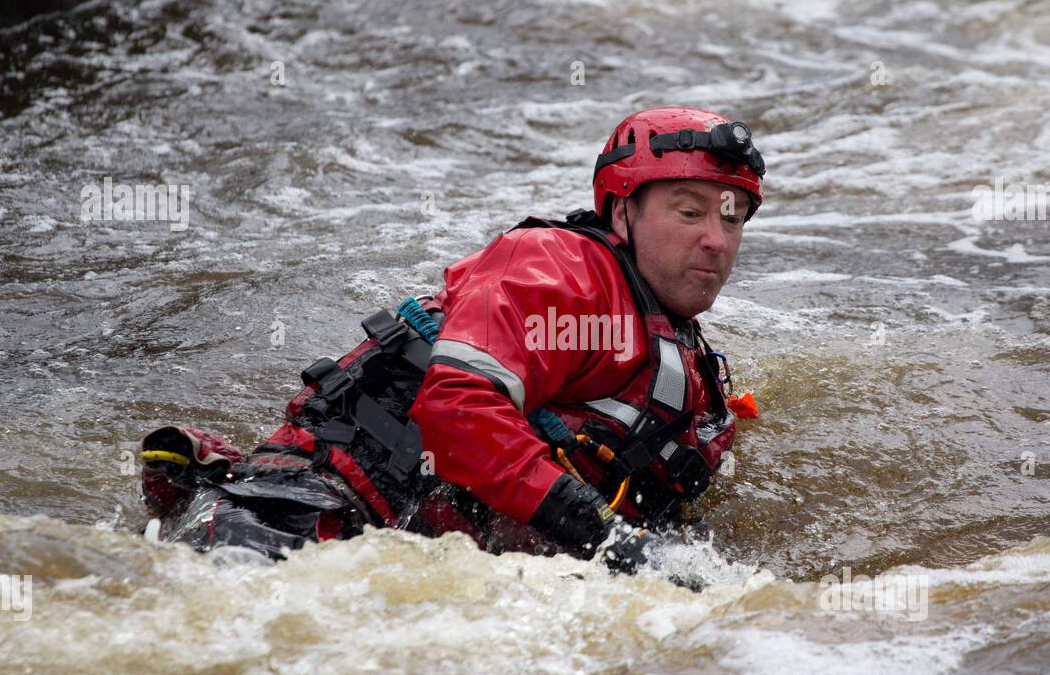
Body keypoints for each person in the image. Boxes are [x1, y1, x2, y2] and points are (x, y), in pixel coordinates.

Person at [139, 105, 765, 577]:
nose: (716, 238)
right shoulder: (560, 269)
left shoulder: (686, 356)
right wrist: (610, 542)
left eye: (731, 215)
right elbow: (458, 407)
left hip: (412, 564)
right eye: (689, 212)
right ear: (621, 212)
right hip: (296, 524)